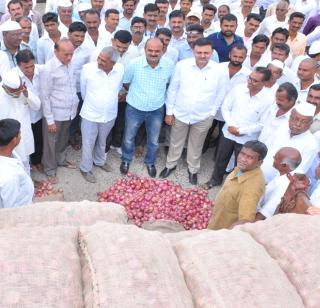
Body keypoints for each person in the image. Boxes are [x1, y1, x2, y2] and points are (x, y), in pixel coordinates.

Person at [160, 38, 225, 184]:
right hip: (180, 113)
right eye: (199, 52)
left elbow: (220, 94)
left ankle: (193, 170)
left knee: (197, 144)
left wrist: (212, 114)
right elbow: (173, 89)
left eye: (206, 53)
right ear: (193, 51)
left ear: (212, 52)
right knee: (175, 141)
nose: (202, 56)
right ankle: (170, 165)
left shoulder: (219, 71)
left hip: (203, 116)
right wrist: (169, 112)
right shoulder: (182, 66)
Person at [203, 67, 271, 188]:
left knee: (241, 164)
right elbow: (225, 107)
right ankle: (215, 180)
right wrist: (231, 125)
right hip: (228, 132)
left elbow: (262, 124)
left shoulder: (268, 100)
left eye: (255, 81)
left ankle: (234, 186)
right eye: (249, 78)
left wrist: (241, 131)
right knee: (221, 158)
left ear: (265, 83)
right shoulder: (238, 89)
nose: (250, 82)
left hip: (247, 139)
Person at [120, 38, 174, 177]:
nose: (154, 53)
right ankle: (126, 159)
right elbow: (126, 82)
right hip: (135, 108)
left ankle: (150, 162)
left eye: (157, 51)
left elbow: (169, 85)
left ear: (163, 51)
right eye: (150, 50)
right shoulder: (134, 64)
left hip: (156, 109)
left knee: (154, 140)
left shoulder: (169, 65)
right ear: (144, 50)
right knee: (128, 137)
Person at [80, 47, 124, 183]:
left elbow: (119, 87)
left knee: (102, 140)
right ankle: (85, 168)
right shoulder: (87, 69)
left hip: (109, 114)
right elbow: (83, 92)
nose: (99, 62)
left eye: (103, 61)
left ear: (113, 63)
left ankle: (99, 161)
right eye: (99, 58)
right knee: (88, 142)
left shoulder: (120, 69)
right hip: (90, 114)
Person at [40, 39, 78, 183]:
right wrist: (49, 120)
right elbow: (45, 96)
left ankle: (61, 160)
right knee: (51, 142)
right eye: (66, 54)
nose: (69, 58)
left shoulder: (70, 64)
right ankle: (50, 169)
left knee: (63, 138)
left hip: (69, 111)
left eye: (71, 54)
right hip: (55, 114)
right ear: (56, 52)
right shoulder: (48, 69)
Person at [207, 140, 267, 230]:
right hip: (217, 219)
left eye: (250, 157)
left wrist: (223, 235)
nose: (243, 159)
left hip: (223, 230)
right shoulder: (243, 169)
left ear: (259, 162)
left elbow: (245, 220)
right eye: (242, 153)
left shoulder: (252, 187)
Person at [261, 102, 318, 183]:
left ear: (310, 124)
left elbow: (299, 173)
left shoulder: (311, 145)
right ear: (290, 117)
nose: (298, 124)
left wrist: (274, 186)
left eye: (303, 121)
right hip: (258, 175)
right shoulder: (281, 128)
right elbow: (265, 148)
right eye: (295, 119)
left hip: (274, 186)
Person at [0, 69, 40, 171]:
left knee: (25, 161)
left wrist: (27, 94)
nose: (18, 93)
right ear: (5, 88)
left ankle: (28, 183)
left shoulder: (23, 90)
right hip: (8, 140)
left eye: (19, 90)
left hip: (23, 134)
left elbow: (37, 106)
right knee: (11, 167)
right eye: (15, 92)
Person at [14, 49, 43, 172]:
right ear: (19, 65)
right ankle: (25, 164)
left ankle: (36, 161)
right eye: (26, 68)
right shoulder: (14, 77)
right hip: (23, 115)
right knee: (24, 141)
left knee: (38, 138)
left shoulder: (41, 70)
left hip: (38, 114)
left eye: (32, 66)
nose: (30, 70)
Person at [256, 147, 302, 220]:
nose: (273, 158)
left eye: (276, 158)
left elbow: (264, 214)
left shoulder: (285, 187)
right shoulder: (285, 173)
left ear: (284, 165)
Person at [0, 118, 34, 208]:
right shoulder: (10, 178)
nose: (21, 135)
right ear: (14, 140)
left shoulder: (8, 152)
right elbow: (10, 208)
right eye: (19, 133)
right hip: (20, 211)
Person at [68, 21, 90, 150]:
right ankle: (62, 138)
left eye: (82, 36)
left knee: (76, 116)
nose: (79, 39)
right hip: (62, 90)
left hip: (79, 90)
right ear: (69, 34)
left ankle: (72, 137)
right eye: (76, 36)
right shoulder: (58, 47)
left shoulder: (86, 52)